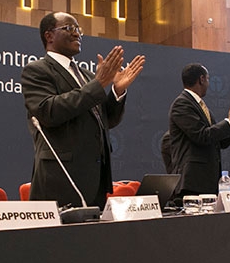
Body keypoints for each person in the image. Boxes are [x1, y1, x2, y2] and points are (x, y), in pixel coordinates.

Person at [21, 12, 145, 208]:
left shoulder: (86, 76)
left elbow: (106, 120)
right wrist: (98, 84)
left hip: (96, 179)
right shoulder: (37, 70)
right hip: (60, 180)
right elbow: (49, 111)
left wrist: (117, 90)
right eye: (69, 28)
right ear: (49, 36)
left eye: (79, 30)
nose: (77, 34)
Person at [168, 63, 230, 198]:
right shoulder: (182, 104)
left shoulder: (200, 105)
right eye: (208, 79)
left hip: (207, 180)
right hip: (193, 182)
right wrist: (228, 121)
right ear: (201, 79)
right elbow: (202, 136)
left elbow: (218, 141)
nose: (208, 83)